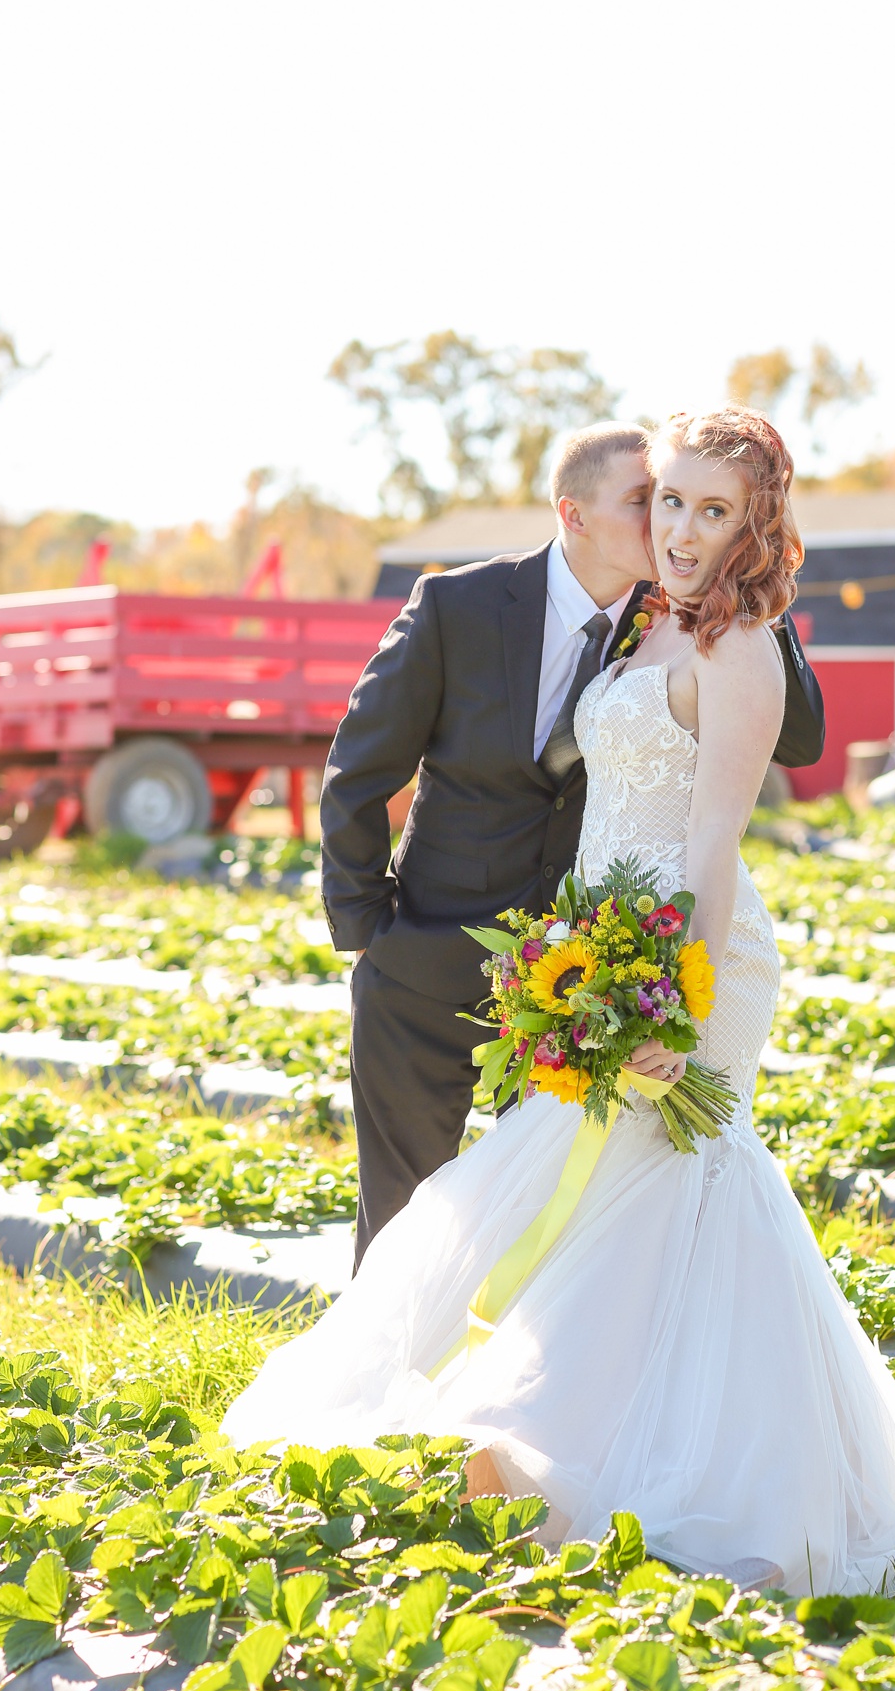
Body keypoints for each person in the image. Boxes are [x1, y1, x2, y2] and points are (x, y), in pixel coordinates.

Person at [225, 406, 895, 1597]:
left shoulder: (741, 646)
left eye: (713, 511)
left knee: (661, 1187)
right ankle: (548, 1421)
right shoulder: (643, 626)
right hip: (595, 943)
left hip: (685, 953)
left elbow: (715, 840)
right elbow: (400, 760)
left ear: (755, 523)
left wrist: (676, 996)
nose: (678, 528)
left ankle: (609, 1449)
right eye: (668, 501)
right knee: (577, 1190)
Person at [318, 421, 825, 1269]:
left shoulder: (681, 619)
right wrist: (370, 929)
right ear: (574, 513)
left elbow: (798, 738)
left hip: (587, 979)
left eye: (698, 509)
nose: (672, 529)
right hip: (428, 959)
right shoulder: (459, 607)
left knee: (553, 1229)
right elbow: (358, 769)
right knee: (403, 1230)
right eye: (651, 502)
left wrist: (750, 580)